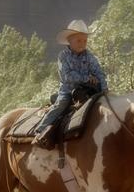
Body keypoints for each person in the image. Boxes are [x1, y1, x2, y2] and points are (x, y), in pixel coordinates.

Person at [34, 19, 108, 148]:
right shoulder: (63, 56)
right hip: (68, 90)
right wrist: (86, 78)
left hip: (87, 91)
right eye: (79, 40)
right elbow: (67, 76)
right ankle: (40, 130)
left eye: (85, 40)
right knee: (61, 105)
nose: (82, 43)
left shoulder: (90, 57)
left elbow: (99, 73)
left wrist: (104, 88)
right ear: (69, 41)